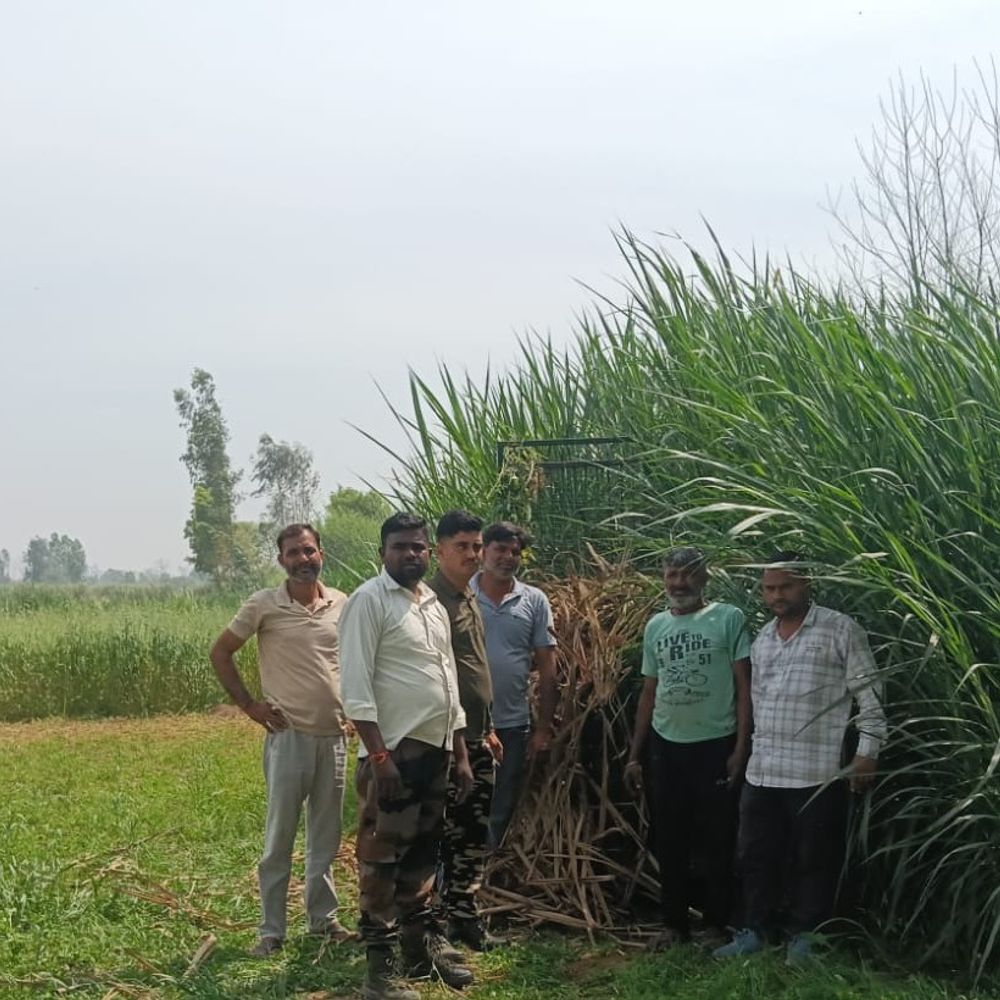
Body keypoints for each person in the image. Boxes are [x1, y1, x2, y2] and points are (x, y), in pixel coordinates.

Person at [714, 552, 887, 964]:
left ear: (807, 583)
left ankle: (807, 938)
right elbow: (757, 702)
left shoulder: (839, 629)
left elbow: (871, 695)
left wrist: (867, 753)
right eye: (769, 588)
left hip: (817, 772)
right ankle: (755, 931)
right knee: (756, 856)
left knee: (814, 859)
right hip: (764, 770)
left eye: (785, 587)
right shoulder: (764, 638)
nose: (776, 595)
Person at [339, 512, 476, 1000]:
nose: (410, 554)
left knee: (422, 853)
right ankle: (380, 971)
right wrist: (380, 759)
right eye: (400, 546)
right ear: (383, 552)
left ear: (428, 551)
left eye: (418, 546)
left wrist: (460, 753)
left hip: (436, 750)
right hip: (393, 754)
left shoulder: (432, 604)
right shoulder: (368, 601)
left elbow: (448, 682)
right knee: (382, 860)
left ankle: (419, 952)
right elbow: (355, 687)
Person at [209, 523, 351, 958]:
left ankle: (323, 920)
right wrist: (249, 706)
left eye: (309, 551)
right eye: (293, 553)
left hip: (334, 737)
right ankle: (271, 931)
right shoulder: (264, 605)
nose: (303, 559)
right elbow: (221, 652)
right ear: (281, 560)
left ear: (321, 553)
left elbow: (351, 660)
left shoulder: (342, 603)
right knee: (280, 838)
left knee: (325, 837)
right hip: (288, 737)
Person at [624, 547, 751, 947]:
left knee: (718, 838)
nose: (679, 583)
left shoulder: (728, 618)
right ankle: (674, 925)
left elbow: (744, 687)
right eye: (672, 575)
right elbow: (649, 691)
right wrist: (635, 755)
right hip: (667, 746)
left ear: (705, 577)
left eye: (688, 575)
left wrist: (740, 748)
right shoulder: (656, 626)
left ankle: (716, 924)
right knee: (670, 837)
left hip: (716, 743)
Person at [426, 510, 505, 951]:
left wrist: (488, 728)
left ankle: (465, 918)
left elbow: (474, 667)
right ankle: (434, 925)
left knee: (473, 835)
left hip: (477, 736)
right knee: (443, 835)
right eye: (462, 546)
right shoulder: (431, 602)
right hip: (446, 740)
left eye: (476, 546)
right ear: (439, 550)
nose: (472, 554)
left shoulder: (468, 595)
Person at [471, 521, 558, 850]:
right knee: (464, 799)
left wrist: (543, 728)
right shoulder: (462, 595)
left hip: (512, 724)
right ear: (483, 552)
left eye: (515, 552)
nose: (508, 557)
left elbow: (548, 667)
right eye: (500, 549)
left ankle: (488, 867)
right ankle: (455, 869)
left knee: (501, 802)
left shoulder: (534, 600)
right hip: (467, 722)